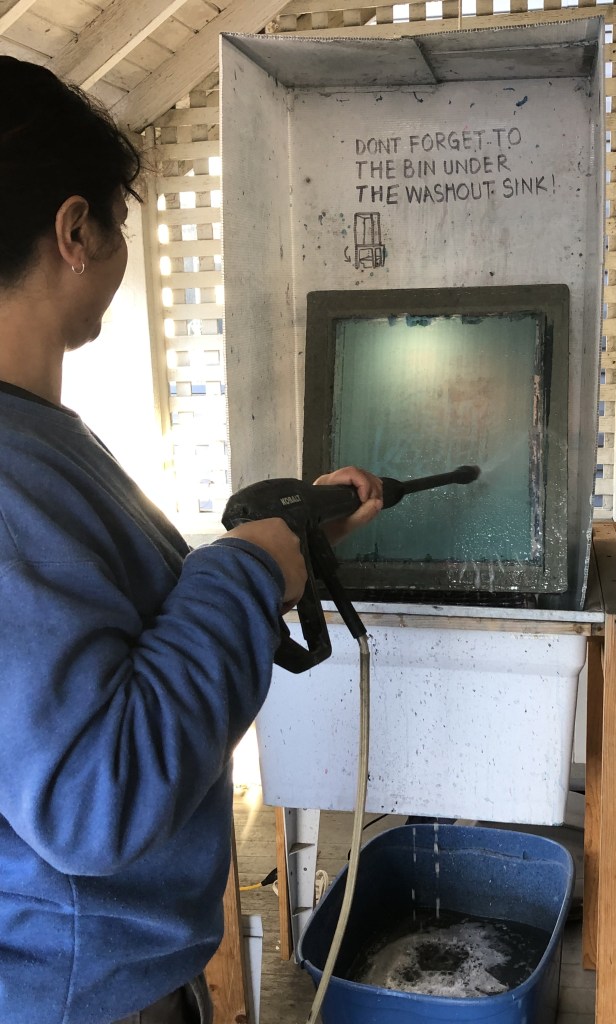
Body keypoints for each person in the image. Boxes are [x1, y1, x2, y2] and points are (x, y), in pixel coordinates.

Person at [0, 56, 383, 1024]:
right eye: (118, 224)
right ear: (76, 231)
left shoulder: (38, 440)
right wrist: (249, 567)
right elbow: (98, 797)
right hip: (73, 997)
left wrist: (286, 546)